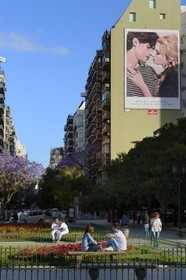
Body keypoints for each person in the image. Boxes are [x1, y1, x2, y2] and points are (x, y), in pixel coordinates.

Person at [126, 31, 159, 97]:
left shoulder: (150, 71)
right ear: (135, 42)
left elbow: (155, 104)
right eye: (148, 47)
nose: (152, 53)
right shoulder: (116, 69)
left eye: (153, 49)